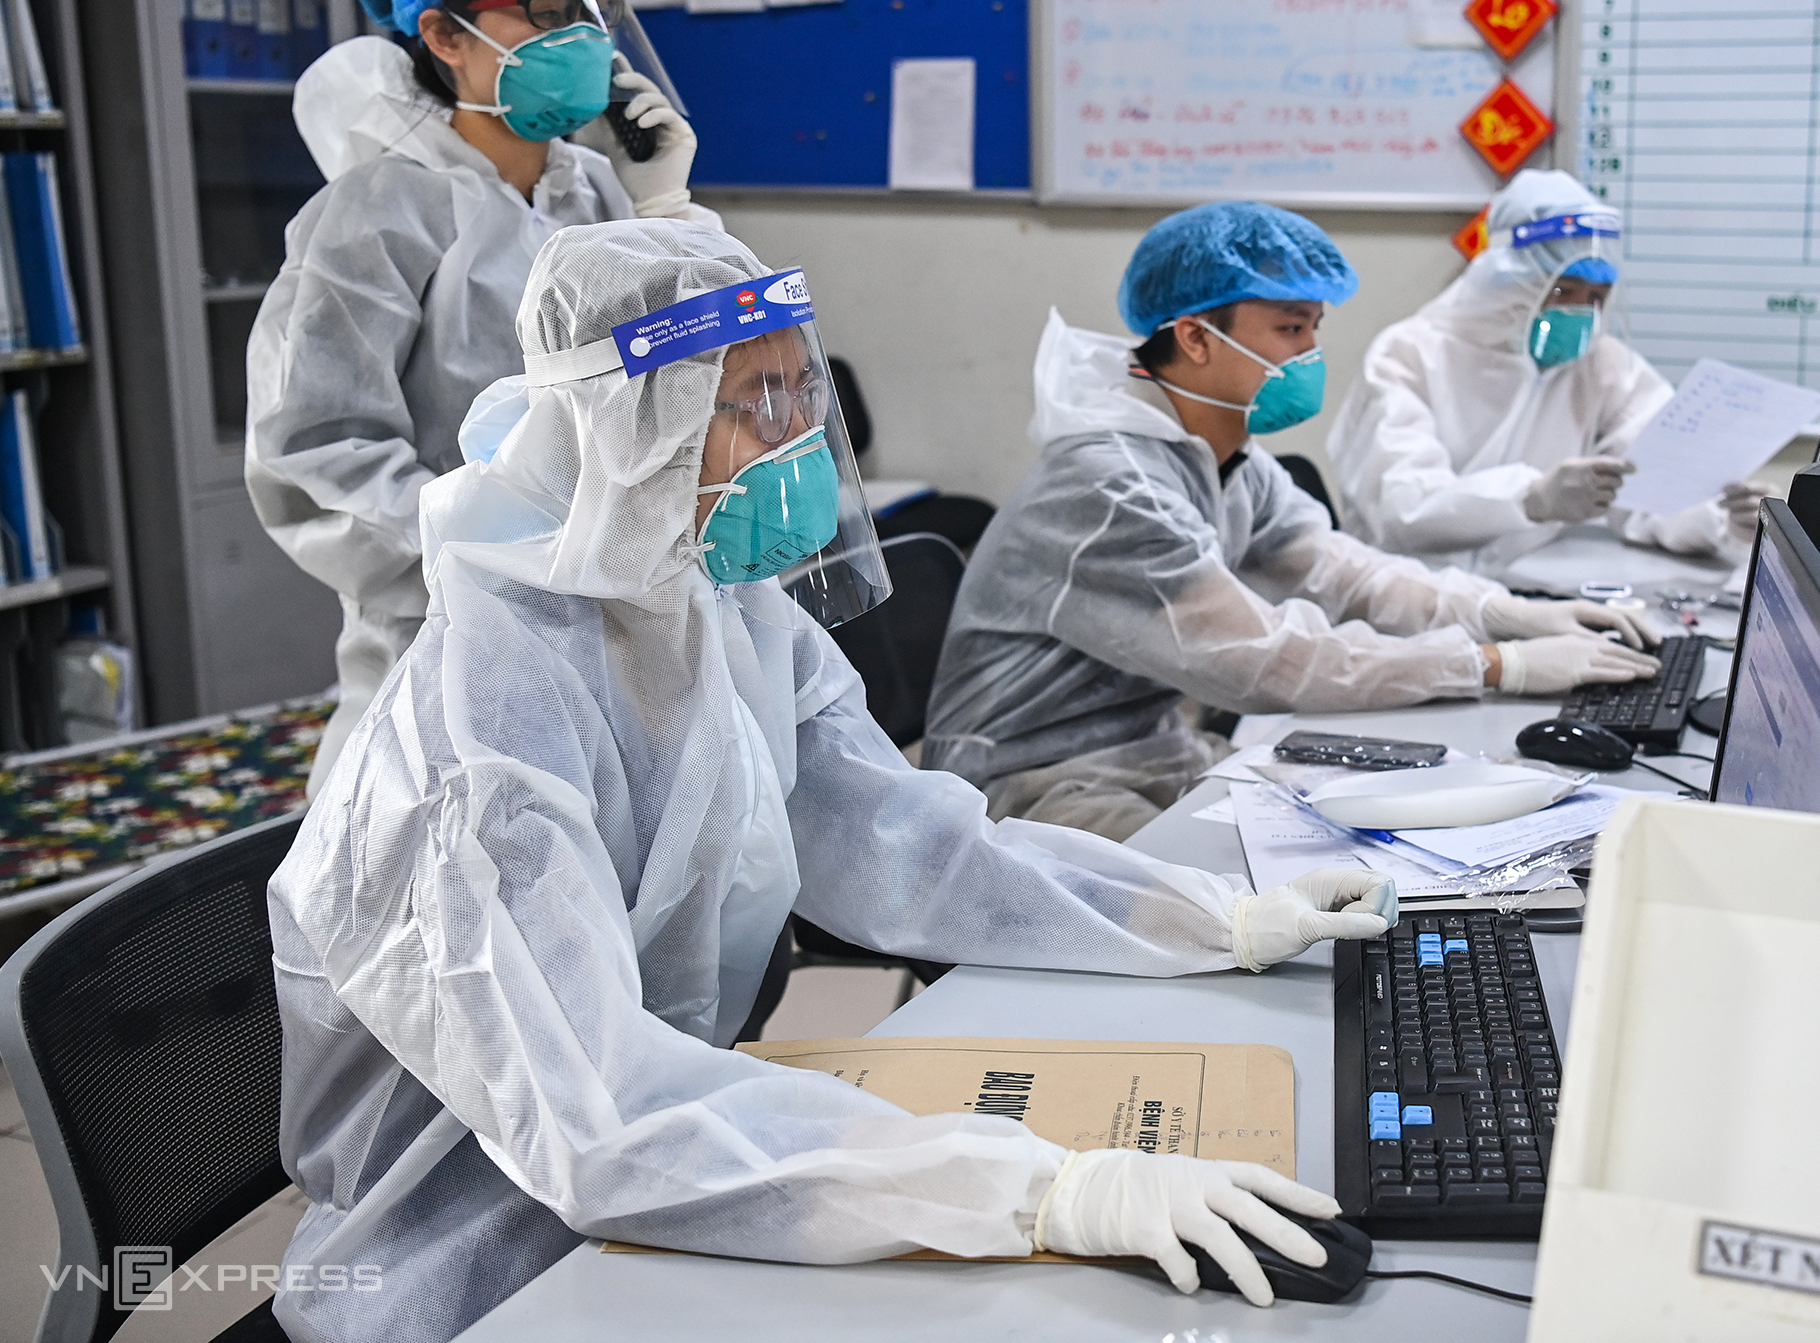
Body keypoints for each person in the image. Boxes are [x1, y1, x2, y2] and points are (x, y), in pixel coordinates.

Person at [268, 219, 1400, 1343]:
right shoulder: (477, 735)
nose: (796, 440)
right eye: (751, 405)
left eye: (800, 391)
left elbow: (909, 842)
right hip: (469, 1258)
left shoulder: (713, 606)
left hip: (687, 1166)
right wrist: (1045, 1194)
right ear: (628, 427)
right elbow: (594, 1116)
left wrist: (1212, 917)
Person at [922, 202, 1664, 841]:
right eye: (1288, 328)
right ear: (1196, 338)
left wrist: (1508, 614)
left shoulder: (1220, 456)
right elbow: (1267, 661)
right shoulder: (1111, 486)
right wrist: (1497, 666)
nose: (1311, 353)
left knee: (1382, 821)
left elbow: (1343, 571)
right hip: (1028, 787)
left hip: (1152, 754)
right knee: (1247, 900)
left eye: (1313, 327)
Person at [246, 0, 710, 792]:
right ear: (445, 35)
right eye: (549, 11)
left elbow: (695, 383)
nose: (586, 37)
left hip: (611, 633)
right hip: (441, 657)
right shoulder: (378, 210)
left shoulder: (596, 191)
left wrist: (668, 206)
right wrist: (500, 558)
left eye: (597, 10)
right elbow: (316, 458)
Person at [1327, 169, 1774, 578]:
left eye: (1596, 296)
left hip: (1527, 588)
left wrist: (1720, 519)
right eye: (1562, 289)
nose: (1580, 311)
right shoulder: (1410, 354)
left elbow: (1648, 488)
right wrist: (1531, 498)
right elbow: (1402, 509)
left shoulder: (1603, 367)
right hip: (1404, 599)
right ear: (1506, 281)